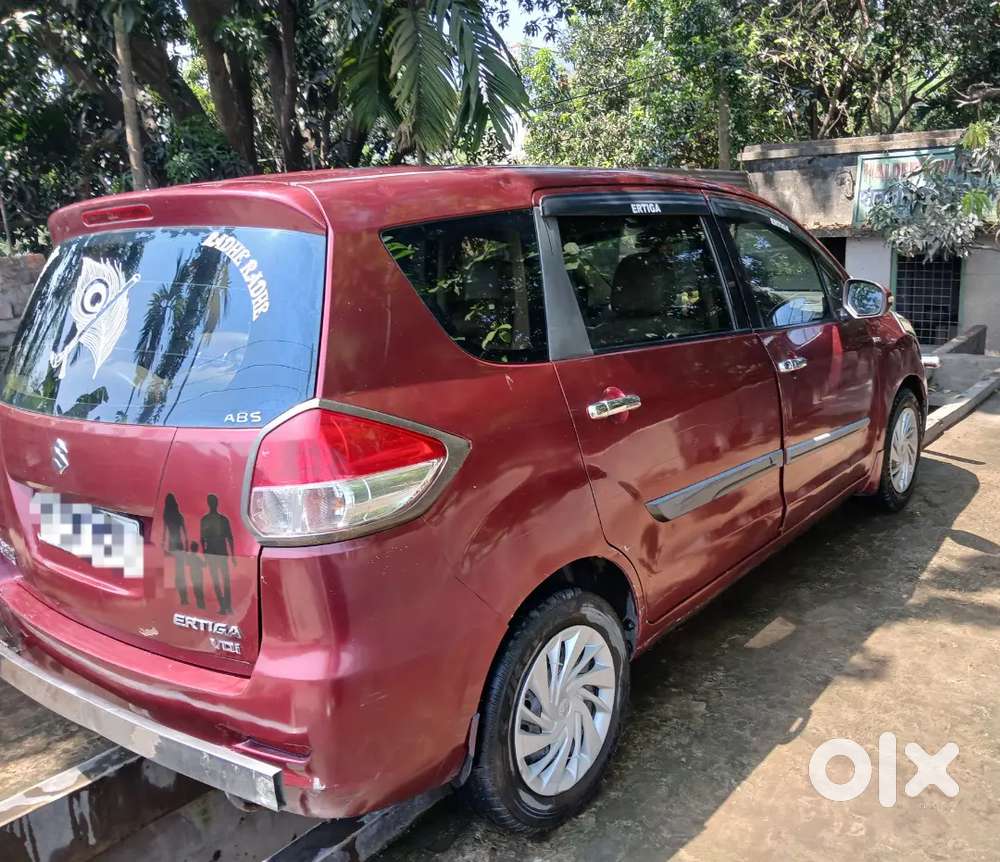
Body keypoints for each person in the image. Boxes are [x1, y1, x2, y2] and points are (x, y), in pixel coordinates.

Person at [200, 494, 235, 614]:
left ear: (216, 503)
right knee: (216, 580)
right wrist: (204, 554)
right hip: (211, 552)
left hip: (221, 551)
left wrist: (233, 554)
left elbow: (230, 537)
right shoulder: (205, 520)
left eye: (213, 501)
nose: (212, 503)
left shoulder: (223, 519)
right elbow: (202, 539)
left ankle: (228, 606)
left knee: (225, 580)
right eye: (211, 501)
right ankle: (222, 605)